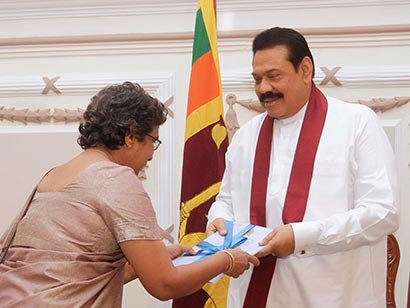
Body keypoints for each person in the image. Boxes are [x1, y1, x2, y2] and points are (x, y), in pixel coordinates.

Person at [0, 81, 259, 307]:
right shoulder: (116, 178)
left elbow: (70, 274)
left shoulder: (55, 174)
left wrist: (141, 265)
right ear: (131, 136)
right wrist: (226, 260)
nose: (152, 154)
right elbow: (164, 285)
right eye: (153, 141)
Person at [206, 27, 399, 308]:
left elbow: (383, 213)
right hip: (255, 295)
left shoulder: (357, 123)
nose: (263, 89)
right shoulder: (247, 135)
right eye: (257, 79)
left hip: (336, 296)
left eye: (274, 76)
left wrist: (301, 236)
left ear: (305, 69)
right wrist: (219, 220)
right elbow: (226, 200)